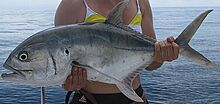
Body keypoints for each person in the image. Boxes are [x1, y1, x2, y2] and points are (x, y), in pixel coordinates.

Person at [55, 0, 179, 103]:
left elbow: (153, 64)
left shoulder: (141, 3)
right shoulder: (73, 4)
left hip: (135, 99)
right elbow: (61, 71)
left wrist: (163, 54)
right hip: (90, 100)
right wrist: (69, 84)